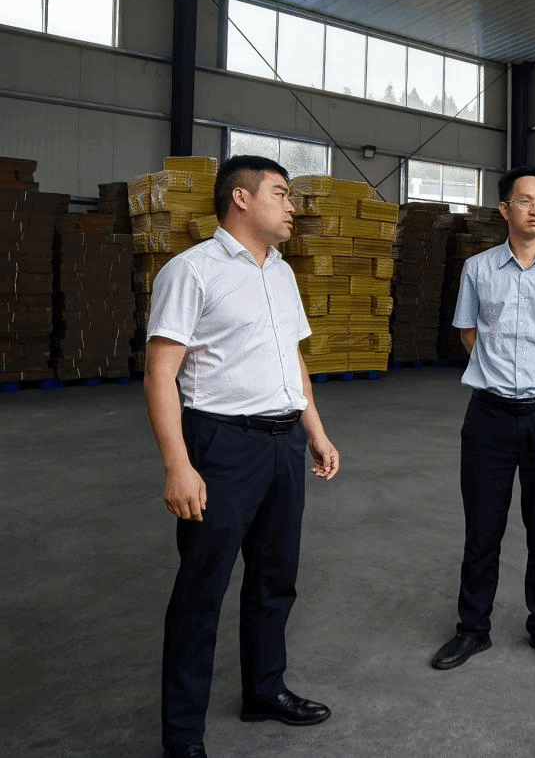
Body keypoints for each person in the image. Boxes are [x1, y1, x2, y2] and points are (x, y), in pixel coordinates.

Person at [145, 155, 340, 758]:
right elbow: (160, 373)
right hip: (222, 446)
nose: (292, 207)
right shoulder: (191, 271)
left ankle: (264, 690)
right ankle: (182, 737)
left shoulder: (281, 272)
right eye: (281, 193)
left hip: (284, 444)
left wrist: (315, 430)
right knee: (201, 591)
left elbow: (292, 358)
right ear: (241, 199)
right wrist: (178, 465)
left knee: (275, 579)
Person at [431, 165, 535, 671]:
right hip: (490, 417)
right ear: (505, 209)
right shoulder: (478, 269)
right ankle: (472, 628)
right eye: (526, 201)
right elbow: (467, 332)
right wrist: (500, 371)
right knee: (482, 528)